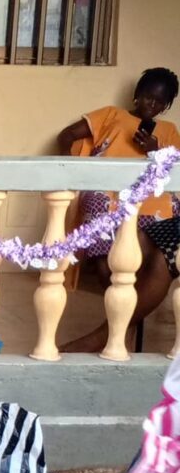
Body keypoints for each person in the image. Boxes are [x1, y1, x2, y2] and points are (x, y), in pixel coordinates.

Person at [57, 68, 180, 353]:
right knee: (100, 209)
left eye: (160, 102)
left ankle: (115, 327)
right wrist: (71, 168)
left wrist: (155, 150)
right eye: (148, 97)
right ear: (137, 94)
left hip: (153, 199)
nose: (152, 106)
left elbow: (174, 170)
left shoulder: (170, 131)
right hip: (109, 195)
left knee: (170, 227)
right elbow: (67, 135)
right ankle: (119, 321)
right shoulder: (113, 115)